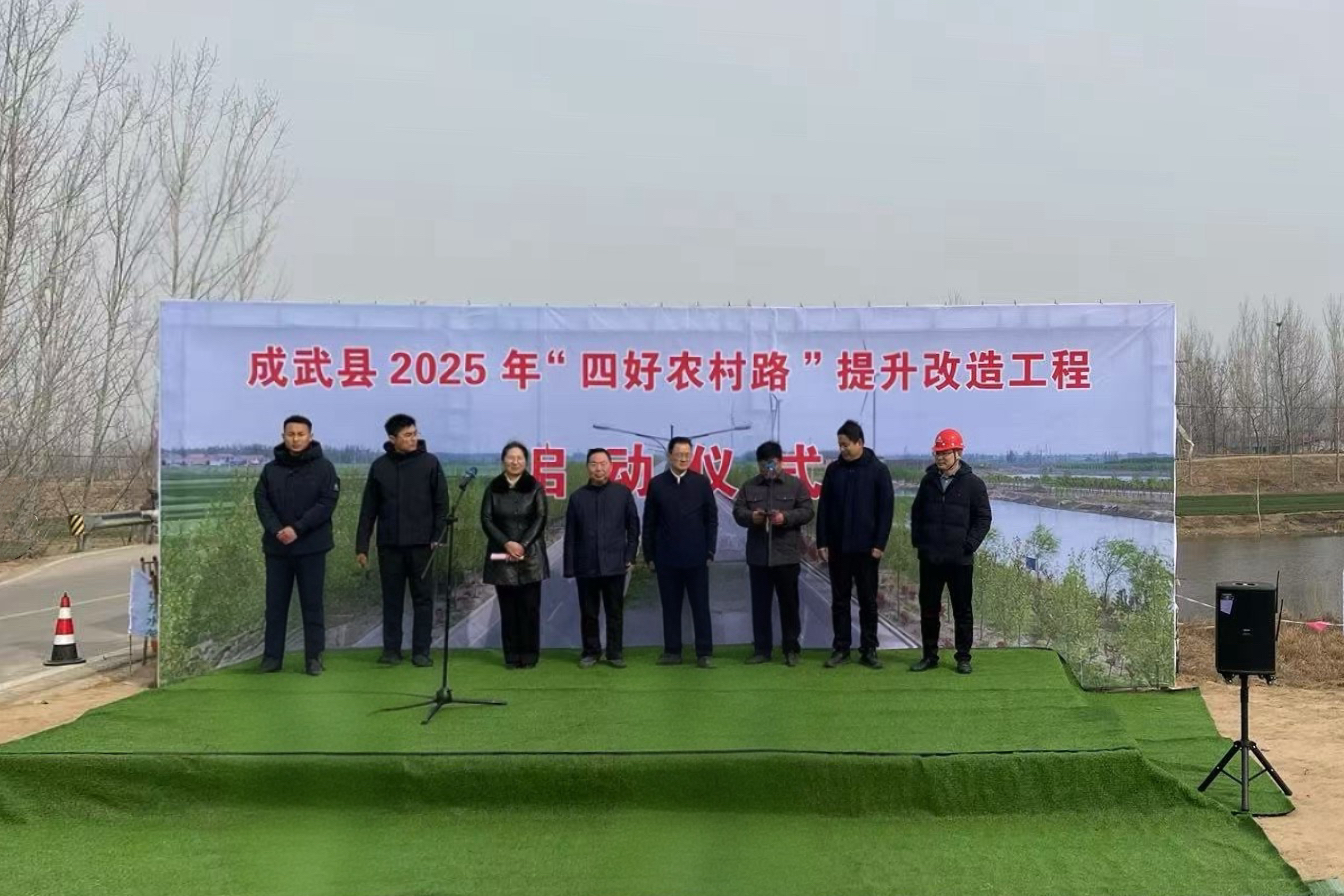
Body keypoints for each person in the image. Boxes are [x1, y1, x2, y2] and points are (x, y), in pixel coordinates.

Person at [356, 414, 448, 668]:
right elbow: (368, 509)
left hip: (422, 545)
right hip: (390, 546)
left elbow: (442, 504)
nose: (413, 439)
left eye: (414, 433)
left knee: (423, 600)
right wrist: (362, 546)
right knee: (391, 599)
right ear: (392, 438)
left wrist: (438, 536)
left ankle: (421, 651)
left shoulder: (430, 463)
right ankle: (391, 650)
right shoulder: (380, 467)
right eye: (407, 435)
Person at [254, 415, 340, 676]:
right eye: (290, 434)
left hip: (311, 547)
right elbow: (261, 501)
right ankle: (272, 658)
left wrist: (297, 528)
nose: (295, 439)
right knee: (275, 607)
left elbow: (326, 503)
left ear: (310, 437)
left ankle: (314, 658)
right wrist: (277, 529)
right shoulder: (271, 470)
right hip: (278, 548)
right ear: (283, 437)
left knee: (312, 605)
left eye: (301, 434)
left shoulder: (324, 468)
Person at [909, 428, 992, 675]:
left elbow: (983, 518)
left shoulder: (974, 484)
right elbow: (917, 514)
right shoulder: (928, 482)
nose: (940, 457)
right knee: (929, 610)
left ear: (958, 453)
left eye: (945, 453)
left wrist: (968, 545)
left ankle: (963, 657)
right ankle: (929, 656)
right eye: (938, 453)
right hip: (930, 560)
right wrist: (920, 544)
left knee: (962, 611)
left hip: (960, 561)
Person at [816, 419, 895, 669]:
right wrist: (822, 541)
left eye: (846, 445)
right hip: (838, 548)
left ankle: (868, 649)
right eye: (840, 445)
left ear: (859, 442)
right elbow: (824, 507)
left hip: (867, 550)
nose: (842, 449)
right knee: (839, 601)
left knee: (868, 602)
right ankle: (841, 648)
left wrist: (879, 543)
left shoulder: (878, 470)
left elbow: (886, 510)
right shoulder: (834, 470)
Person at [732, 440, 814, 666]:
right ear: (758, 464)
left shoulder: (795, 485)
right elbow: (738, 512)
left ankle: (791, 649)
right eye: (763, 465)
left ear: (780, 462)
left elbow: (807, 511)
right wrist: (753, 517)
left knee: (789, 605)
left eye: (772, 464)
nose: (768, 469)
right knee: (760, 605)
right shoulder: (749, 486)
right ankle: (761, 649)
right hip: (759, 557)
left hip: (786, 555)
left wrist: (785, 518)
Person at [643, 436, 718, 668]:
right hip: (666, 557)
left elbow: (711, 519)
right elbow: (649, 522)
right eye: (679, 454)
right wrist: (649, 555)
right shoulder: (657, 484)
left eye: (687, 454)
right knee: (670, 607)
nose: (683, 458)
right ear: (669, 455)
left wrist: (710, 550)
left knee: (700, 606)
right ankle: (672, 651)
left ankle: (704, 652)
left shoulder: (701, 483)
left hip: (697, 557)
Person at [563, 448, 640, 669]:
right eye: (594, 464)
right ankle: (591, 651)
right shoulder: (577, 498)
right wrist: (570, 567)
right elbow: (570, 535)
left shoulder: (622, 494)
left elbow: (633, 528)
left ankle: (615, 653)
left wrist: (629, 555)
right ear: (587, 467)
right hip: (586, 565)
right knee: (589, 613)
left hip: (615, 564)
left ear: (611, 466)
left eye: (603, 463)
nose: (599, 468)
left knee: (615, 611)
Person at [481, 441, 550, 669]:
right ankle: (511, 656)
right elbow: (486, 519)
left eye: (520, 458)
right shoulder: (493, 488)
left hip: (530, 557)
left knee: (530, 609)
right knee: (508, 610)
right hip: (503, 558)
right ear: (503, 461)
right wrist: (506, 543)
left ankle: (529, 655)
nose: (515, 462)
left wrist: (522, 544)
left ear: (526, 462)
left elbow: (540, 517)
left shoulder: (535, 487)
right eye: (511, 458)